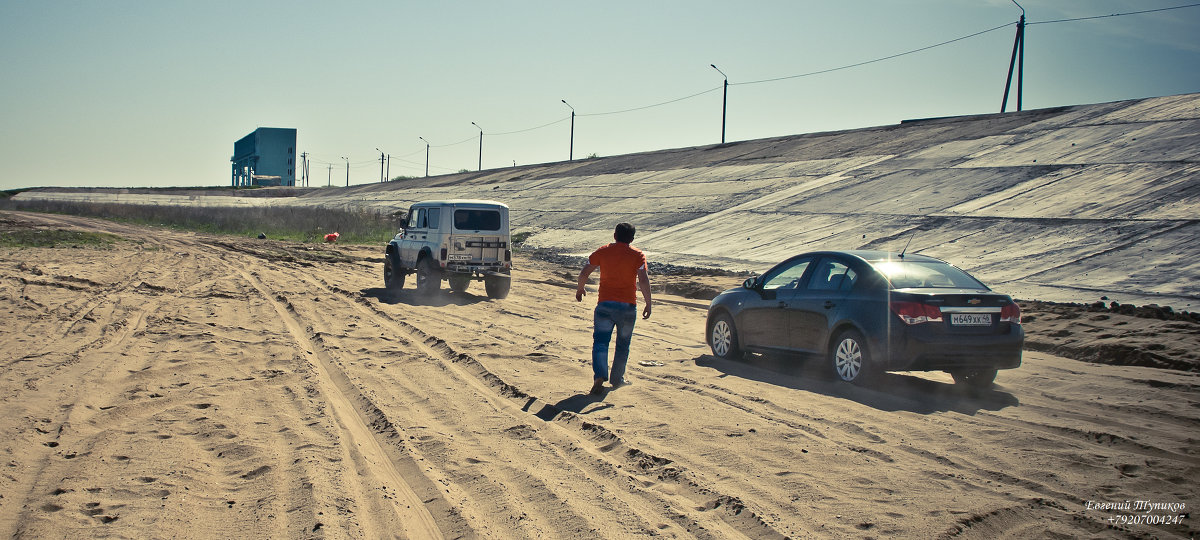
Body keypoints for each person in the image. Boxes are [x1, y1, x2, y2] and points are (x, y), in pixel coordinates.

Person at [575, 223, 653, 395]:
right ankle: (617, 379)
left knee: (601, 342)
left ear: (614, 235)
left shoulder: (603, 251)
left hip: (604, 305)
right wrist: (648, 302)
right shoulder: (638, 255)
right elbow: (644, 280)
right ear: (632, 239)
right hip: (627, 307)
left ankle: (599, 376)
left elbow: (584, 272)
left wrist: (580, 288)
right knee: (623, 345)